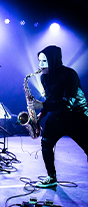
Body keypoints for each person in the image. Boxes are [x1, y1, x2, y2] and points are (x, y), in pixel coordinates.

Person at [28, 45, 88, 188]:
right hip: (57, 116)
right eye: (39, 61)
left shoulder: (69, 75)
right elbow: (50, 99)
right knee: (46, 144)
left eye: (44, 61)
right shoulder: (44, 77)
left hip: (77, 116)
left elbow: (68, 103)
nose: (40, 65)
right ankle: (51, 177)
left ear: (54, 60)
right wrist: (40, 115)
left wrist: (42, 106)